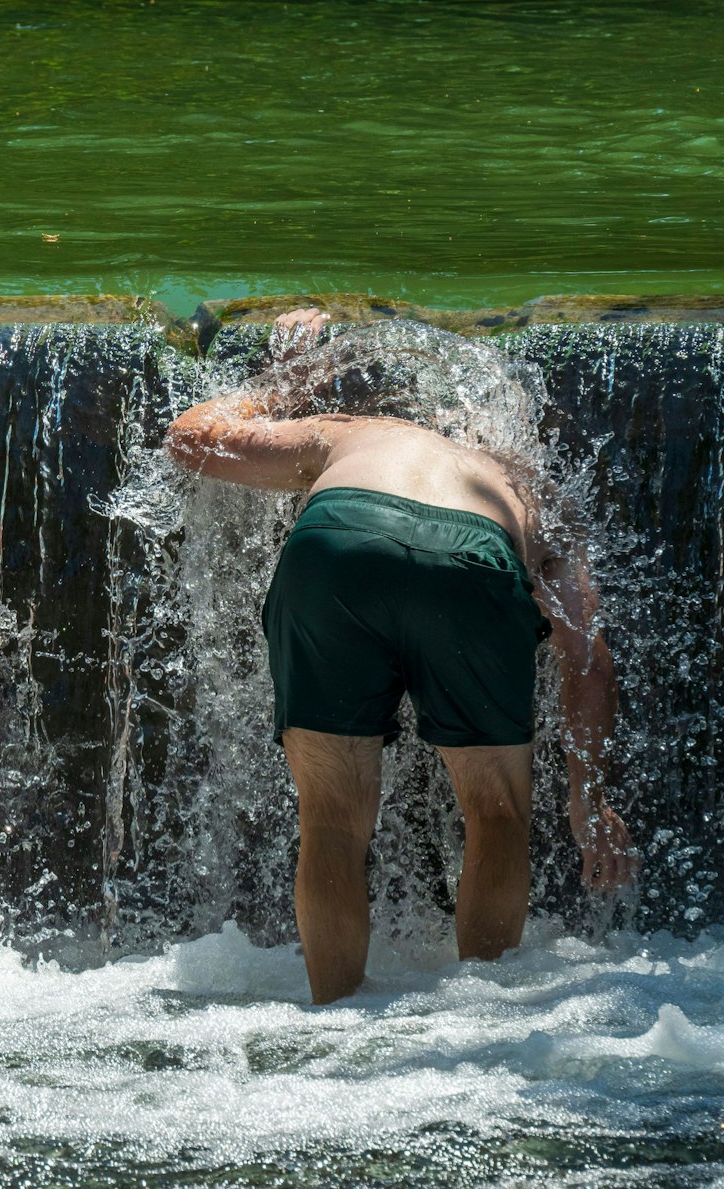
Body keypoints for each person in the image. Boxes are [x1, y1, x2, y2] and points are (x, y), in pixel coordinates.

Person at [164, 308, 636, 1003]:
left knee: (330, 815)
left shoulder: (359, 431)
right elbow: (585, 657)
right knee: (496, 810)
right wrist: (588, 795)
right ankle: (481, 1015)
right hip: (475, 556)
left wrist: (287, 380)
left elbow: (192, 436)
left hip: (342, 537)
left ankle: (334, 1020)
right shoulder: (530, 486)